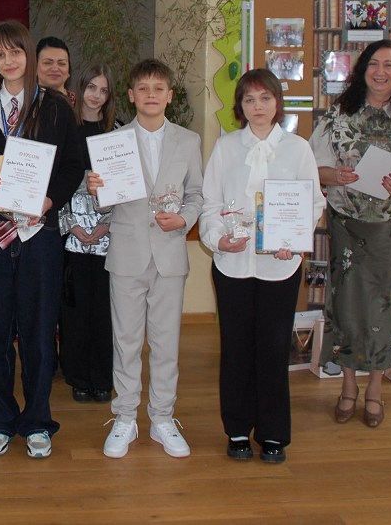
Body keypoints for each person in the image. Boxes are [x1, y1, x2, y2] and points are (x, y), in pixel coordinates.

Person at [0, 21, 83, 460]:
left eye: (15, 52)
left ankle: (36, 421)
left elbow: (72, 166)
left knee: (37, 331)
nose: (8, 61)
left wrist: (49, 201)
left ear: (28, 55)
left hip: (37, 232)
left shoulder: (54, 106)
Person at [309, 39, 391, 428]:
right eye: (374, 64)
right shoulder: (338, 115)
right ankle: (348, 386)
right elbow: (312, 167)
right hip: (347, 225)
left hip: (390, 228)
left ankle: (375, 390)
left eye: (389, 65)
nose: (380, 72)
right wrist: (336, 175)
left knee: (384, 307)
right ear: (362, 69)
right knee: (347, 307)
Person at [198, 69, 325, 464]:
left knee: (272, 349)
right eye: (250, 99)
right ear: (241, 106)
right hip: (233, 265)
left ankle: (273, 433)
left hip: (279, 269)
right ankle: (237, 430)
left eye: (265, 98)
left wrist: (295, 240)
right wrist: (218, 238)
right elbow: (210, 203)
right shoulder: (226, 148)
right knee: (236, 349)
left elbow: (313, 203)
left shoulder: (298, 149)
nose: (258, 106)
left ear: (277, 103)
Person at [87, 58, 203, 460]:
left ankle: (163, 417)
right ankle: (124, 416)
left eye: (158, 88)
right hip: (127, 254)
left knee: (166, 342)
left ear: (169, 95)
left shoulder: (188, 141)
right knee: (126, 341)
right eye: (143, 88)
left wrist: (184, 218)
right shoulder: (113, 142)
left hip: (169, 254)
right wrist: (96, 189)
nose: (151, 95)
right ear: (131, 95)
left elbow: (196, 194)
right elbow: (104, 205)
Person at [58, 63, 117, 403]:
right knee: (75, 308)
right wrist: (72, 225)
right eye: (91, 87)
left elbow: (126, 187)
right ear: (79, 88)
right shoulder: (65, 129)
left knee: (104, 310)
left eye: (104, 90)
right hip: (72, 236)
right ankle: (78, 376)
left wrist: (107, 224)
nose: (96, 95)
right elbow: (56, 182)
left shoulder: (118, 133)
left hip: (110, 235)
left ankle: (103, 377)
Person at [36, 36, 75, 105]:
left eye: (61, 63)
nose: (55, 69)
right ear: (34, 67)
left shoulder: (81, 105)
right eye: (47, 63)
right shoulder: (23, 103)